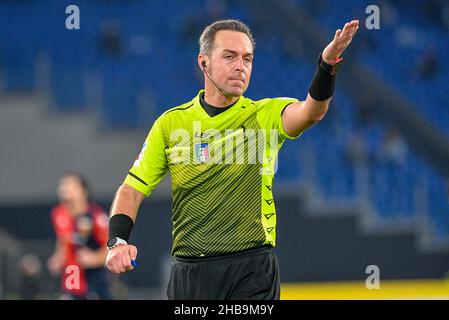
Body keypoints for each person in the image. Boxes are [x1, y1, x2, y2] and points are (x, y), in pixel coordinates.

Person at [105, 19, 359, 299]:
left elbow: (312, 112)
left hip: (251, 269)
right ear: (204, 62)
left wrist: (327, 63)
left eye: (247, 59)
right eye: (229, 56)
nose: (241, 66)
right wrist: (117, 241)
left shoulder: (264, 115)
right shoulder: (171, 124)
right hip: (190, 273)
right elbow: (132, 188)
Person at [48, 173, 112, 299]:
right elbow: (63, 240)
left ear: (84, 192)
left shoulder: (96, 216)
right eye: (63, 188)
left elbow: (110, 246)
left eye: (71, 188)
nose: (66, 192)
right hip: (71, 278)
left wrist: (94, 258)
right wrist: (58, 257)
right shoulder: (58, 214)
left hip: (93, 280)